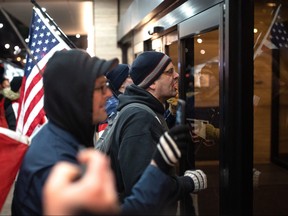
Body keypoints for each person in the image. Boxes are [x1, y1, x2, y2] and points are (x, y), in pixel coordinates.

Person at [12, 49, 205, 215]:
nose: (108, 94)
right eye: (100, 87)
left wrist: (157, 165)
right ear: (76, 95)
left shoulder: (65, 140)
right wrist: (176, 178)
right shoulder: (58, 164)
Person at [108, 51, 207, 215]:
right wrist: (189, 182)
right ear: (152, 82)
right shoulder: (139, 118)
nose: (176, 75)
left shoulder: (147, 111)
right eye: (169, 72)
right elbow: (143, 189)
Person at [97, 64, 133, 135]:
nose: (133, 79)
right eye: (129, 76)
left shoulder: (118, 100)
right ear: (122, 83)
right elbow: (104, 137)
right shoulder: (114, 106)